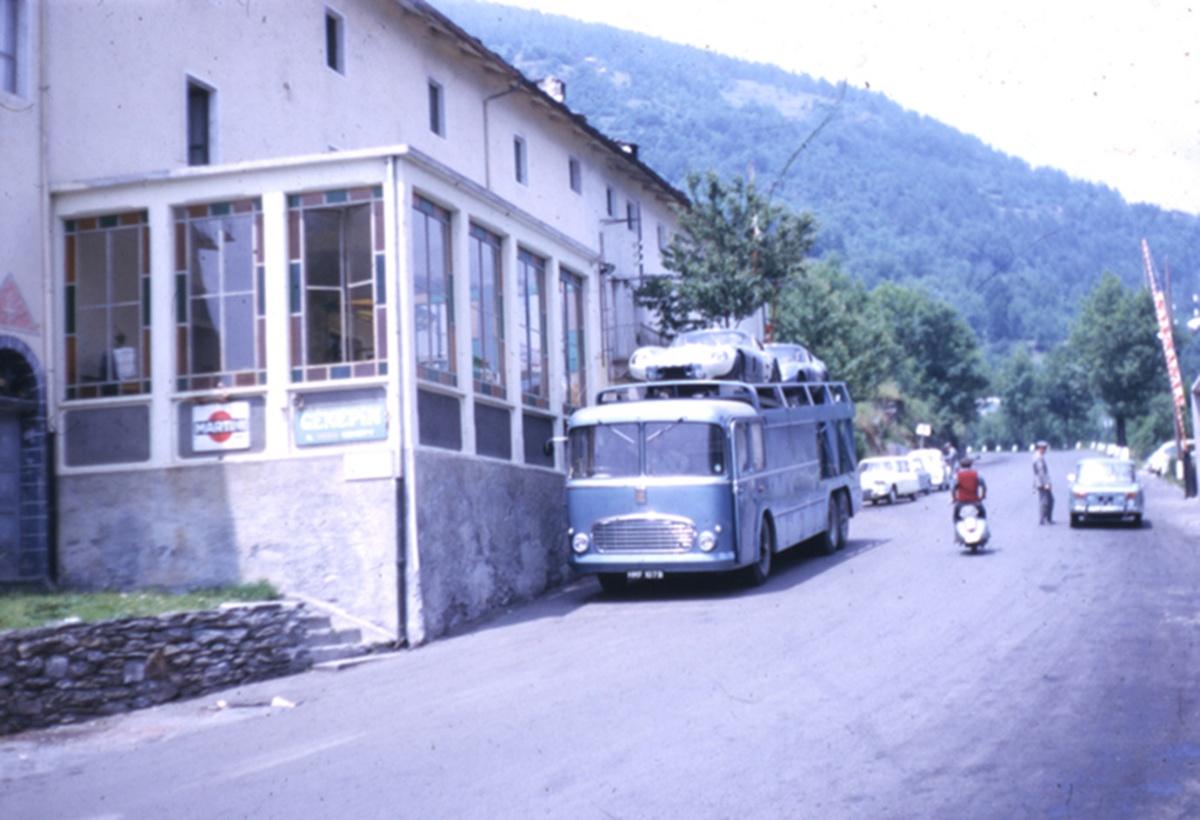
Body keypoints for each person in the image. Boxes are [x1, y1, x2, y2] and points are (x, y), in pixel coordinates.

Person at [951, 456, 987, 522]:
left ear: (961, 466)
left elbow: (953, 488)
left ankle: (957, 528)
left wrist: (954, 498)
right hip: (975, 501)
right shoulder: (977, 474)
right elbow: (984, 486)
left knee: (956, 517)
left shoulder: (957, 476)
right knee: (982, 515)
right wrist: (982, 496)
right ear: (971, 465)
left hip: (961, 502)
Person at [1033, 441, 1054, 524]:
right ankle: (1043, 519)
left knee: (1048, 500)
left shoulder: (1038, 456)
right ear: (1040, 448)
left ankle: (1046, 519)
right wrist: (1046, 484)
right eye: (1044, 448)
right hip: (1042, 482)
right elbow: (1041, 472)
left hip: (1040, 481)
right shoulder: (1038, 457)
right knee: (1045, 501)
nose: (1045, 450)